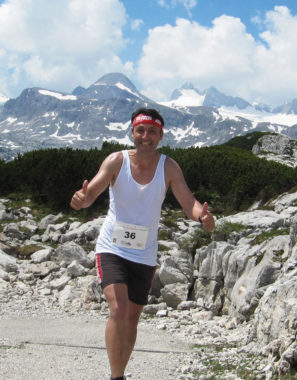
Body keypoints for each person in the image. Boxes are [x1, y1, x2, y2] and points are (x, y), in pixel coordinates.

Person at [70, 107, 215, 380]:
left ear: (160, 136)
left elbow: (188, 203)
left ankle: (120, 372)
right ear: (132, 132)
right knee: (118, 308)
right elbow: (91, 193)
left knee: (132, 319)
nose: (145, 136)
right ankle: (116, 377)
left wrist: (202, 217)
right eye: (140, 130)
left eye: (152, 131)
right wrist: (82, 199)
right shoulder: (116, 161)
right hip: (112, 248)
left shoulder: (169, 167)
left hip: (144, 254)